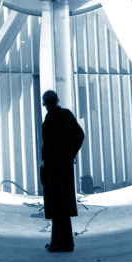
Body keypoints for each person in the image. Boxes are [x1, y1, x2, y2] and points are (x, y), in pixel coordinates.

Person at [38, 89, 84, 252]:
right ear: (57, 100)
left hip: (53, 168)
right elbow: (80, 135)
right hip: (64, 167)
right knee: (62, 205)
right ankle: (64, 242)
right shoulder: (66, 114)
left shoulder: (50, 119)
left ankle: (59, 243)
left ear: (45, 104)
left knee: (56, 205)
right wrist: (71, 153)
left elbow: (49, 146)